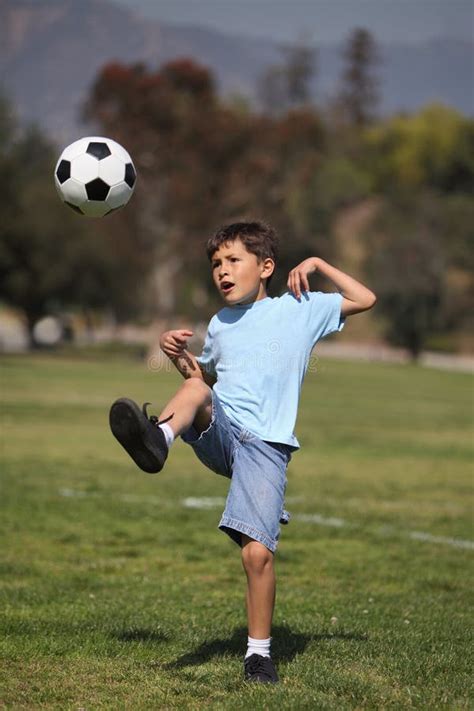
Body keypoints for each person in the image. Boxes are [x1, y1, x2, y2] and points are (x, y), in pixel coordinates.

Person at [109, 220, 376, 683]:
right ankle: (158, 442)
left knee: (256, 555)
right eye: (216, 264)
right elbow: (203, 379)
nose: (222, 271)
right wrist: (174, 355)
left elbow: (365, 298)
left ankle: (258, 654)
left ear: (266, 267)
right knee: (194, 388)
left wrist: (317, 263)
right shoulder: (219, 323)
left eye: (234, 261)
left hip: (266, 448)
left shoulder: (300, 308)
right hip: (224, 433)